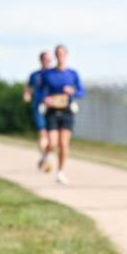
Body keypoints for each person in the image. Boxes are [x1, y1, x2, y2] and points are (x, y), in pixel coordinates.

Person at [39, 44, 85, 184]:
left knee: (64, 143)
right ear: (55, 55)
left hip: (67, 111)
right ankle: (46, 155)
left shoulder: (72, 73)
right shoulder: (48, 74)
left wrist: (73, 92)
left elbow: (81, 92)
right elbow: (40, 91)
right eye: (57, 53)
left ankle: (60, 172)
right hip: (52, 111)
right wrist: (45, 99)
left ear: (66, 54)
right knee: (52, 142)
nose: (60, 55)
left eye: (62, 53)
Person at [23, 51, 54, 172]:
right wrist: (27, 95)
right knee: (42, 133)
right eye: (45, 60)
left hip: (53, 108)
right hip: (39, 106)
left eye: (50, 60)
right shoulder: (35, 75)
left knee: (52, 138)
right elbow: (28, 88)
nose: (48, 62)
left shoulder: (54, 74)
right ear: (40, 60)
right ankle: (46, 159)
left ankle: (44, 157)